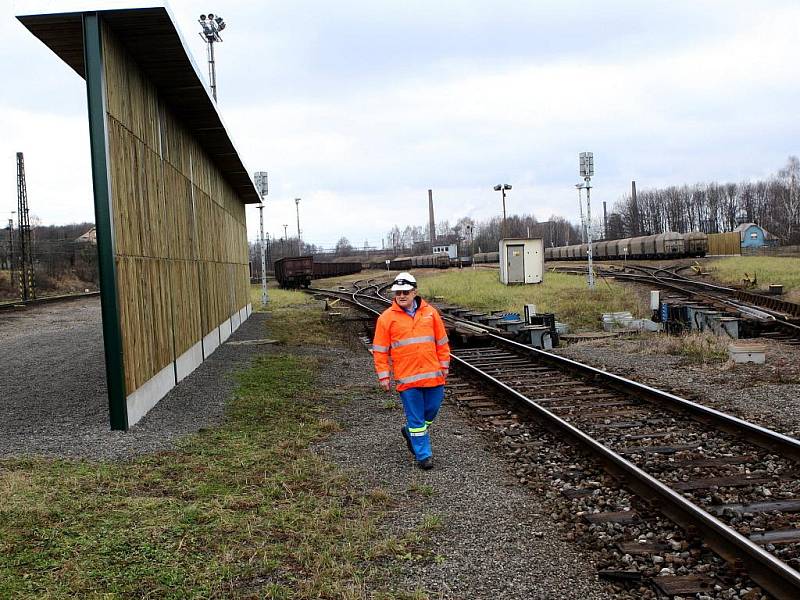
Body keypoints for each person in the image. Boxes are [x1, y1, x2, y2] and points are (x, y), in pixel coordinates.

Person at [372, 272, 450, 470]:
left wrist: (444, 367)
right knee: (416, 419)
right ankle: (423, 455)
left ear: (415, 292)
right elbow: (380, 350)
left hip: (434, 376)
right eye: (398, 292)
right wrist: (384, 376)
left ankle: (409, 432)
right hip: (407, 379)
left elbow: (442, 344)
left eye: (406, 291)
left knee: (431, 411)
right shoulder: (386, 318)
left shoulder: (431, 313)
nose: (401, 295)